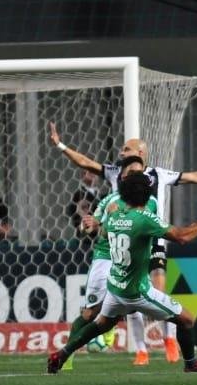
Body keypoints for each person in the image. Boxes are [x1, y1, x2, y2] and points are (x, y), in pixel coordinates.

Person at [48, 122, 197, 364]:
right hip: (124, 244)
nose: (120, 153)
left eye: (125, 149)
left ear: (140, 154)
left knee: (119, 307)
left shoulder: (152, 179)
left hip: (140, 242)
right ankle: (145, 349)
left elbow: (196, 176)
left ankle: (167, 340)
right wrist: (60, 145)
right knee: (114, 307)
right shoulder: (118, 187)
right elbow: (85, 165)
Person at [47, 172, 197, 374]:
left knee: (101, 324)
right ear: (146, 194)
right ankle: (191, 364)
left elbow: (105, 231)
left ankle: (61, 354)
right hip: (137, 291)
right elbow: (181, 238)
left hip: (115, 287)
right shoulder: (144, 219)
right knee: (187, 320)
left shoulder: (114, 216)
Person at [63, 155, 155, 370]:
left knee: (137, 305)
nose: (136, 177)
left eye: (140, 173)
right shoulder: (109, 201)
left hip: (132, 260)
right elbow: (92, 227)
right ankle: (66, 355)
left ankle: (145, 348)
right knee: (89, 313)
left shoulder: (150, 202)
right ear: (123, 176)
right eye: (132, 173)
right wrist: (91, 225)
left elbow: (146, 227)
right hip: (105, 258)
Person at [67, 169, 102, 235]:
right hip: (87, 235)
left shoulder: (100, 194)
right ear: (83, 176)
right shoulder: (79, 195)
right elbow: (75, 214)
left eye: (95, 172)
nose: (94, 175)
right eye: (90, 172)